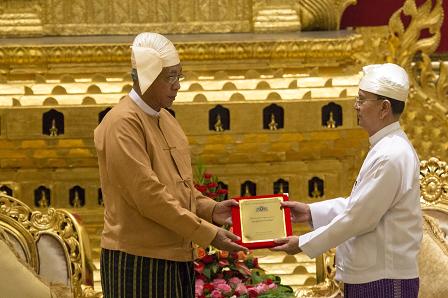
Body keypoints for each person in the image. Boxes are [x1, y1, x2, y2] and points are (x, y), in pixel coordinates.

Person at [94, 32, 247, 298]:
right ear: (146, 78)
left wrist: (211, 210)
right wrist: (208, 234)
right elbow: (149, 197)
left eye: (179, 76)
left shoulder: (166, 119)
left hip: (177, 254)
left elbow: (179, 189)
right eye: (170, 77)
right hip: (138, 260)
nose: (177, 85)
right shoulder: (122, 123)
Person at [272, 63, 422, 297]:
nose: (356, 106)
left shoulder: (391, 154)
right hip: (372, 274)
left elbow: (360, 218)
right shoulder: (385, 147)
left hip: (384, 279)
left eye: (362, 100)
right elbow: (361, 204)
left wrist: (304, 243)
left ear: (384, 108)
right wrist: (311, 212)